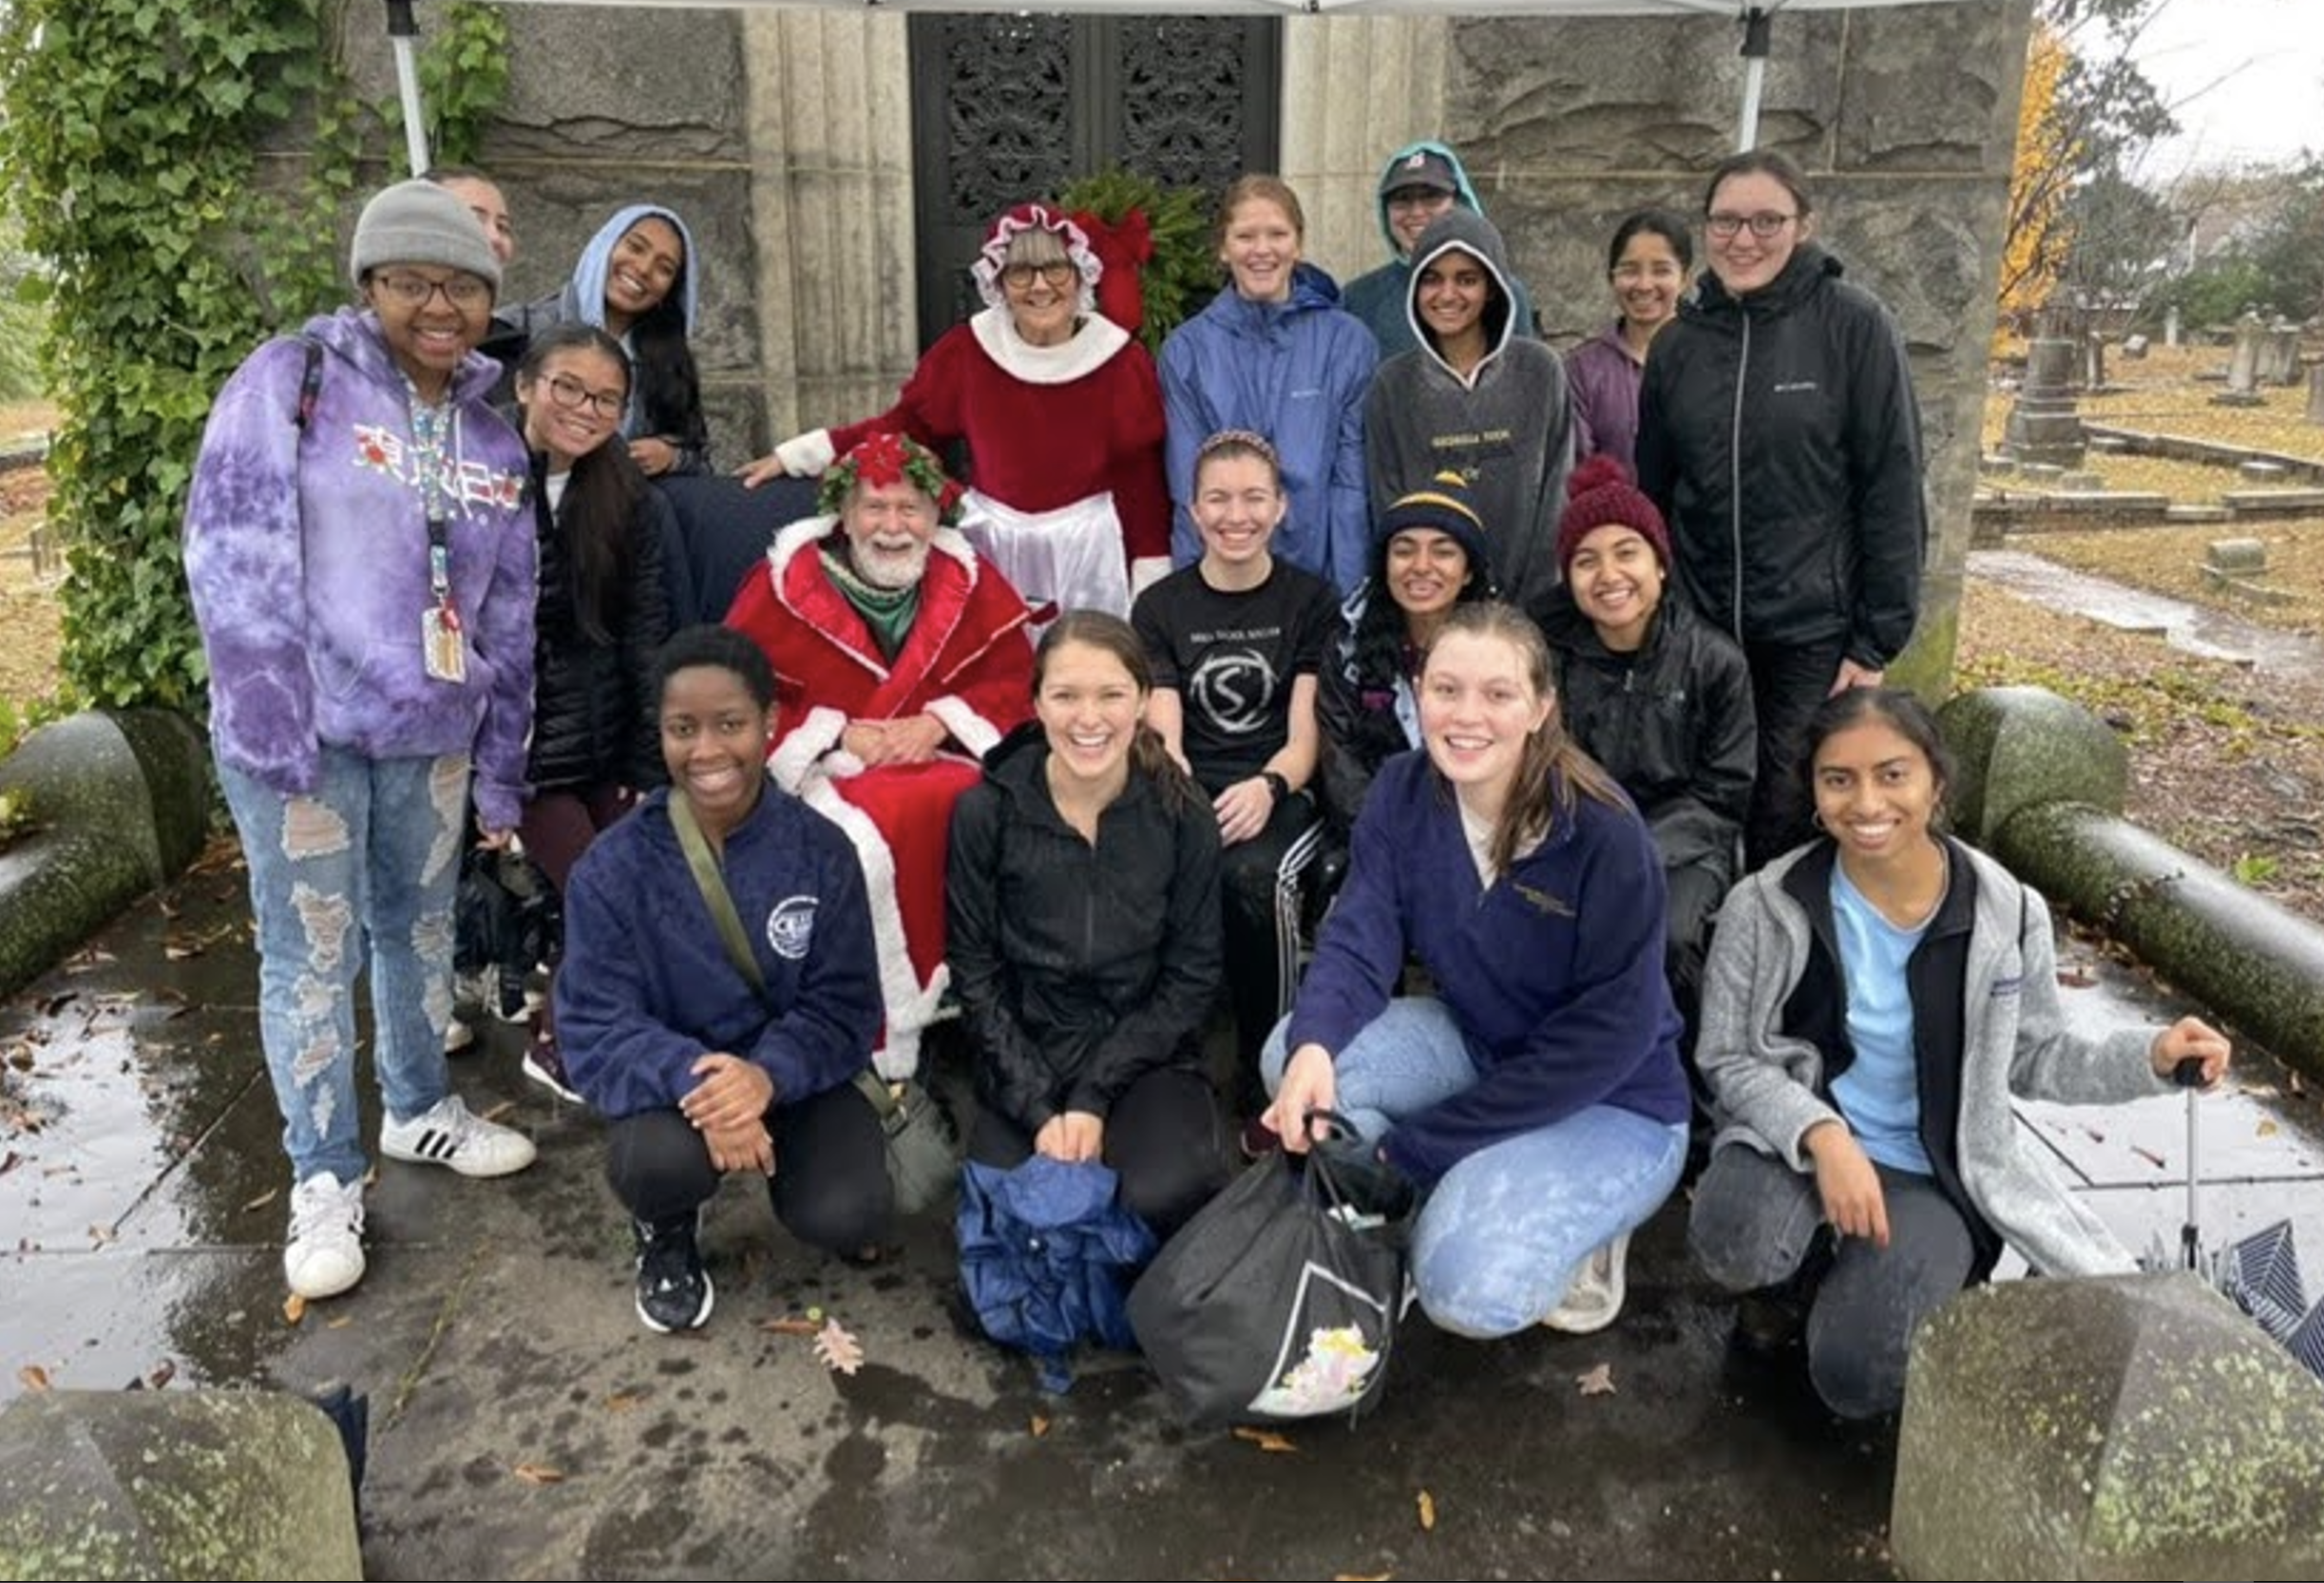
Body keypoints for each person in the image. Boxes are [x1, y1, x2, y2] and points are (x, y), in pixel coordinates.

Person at [182, 179, 541, 1303]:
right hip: (310, 738)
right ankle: (322, 1174)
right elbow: (231, 548)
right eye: (411, 282)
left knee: (420, 931)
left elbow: (510, 606)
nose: (439, 306)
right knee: (308, 956)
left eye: (463, 286)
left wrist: (502, 757)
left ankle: (420, 1105)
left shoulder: (490, 431)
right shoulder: (296, 382)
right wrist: (269, 720)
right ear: (369, 284)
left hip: (432, 734)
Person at [1686, 688, 2234, 1419]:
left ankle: (1892, 1273)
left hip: (1933, 1170)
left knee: (1854, 1380)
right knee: (1732, 1237)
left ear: (1936, 782)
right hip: (1800, 1146)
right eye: (1838, 779)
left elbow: (2035, 1055)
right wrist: (1821, 1134)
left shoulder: (2006, 913)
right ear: (1815, 793)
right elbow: (1726, 1055)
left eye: (1892, 774)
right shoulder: (1767, 905)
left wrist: (2152, 1058)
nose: (1866, 802)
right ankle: (1791, 1279)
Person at [1263, 602, 1691, 1340]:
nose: (1467, 716)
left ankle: (1576, 1223)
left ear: (1541, 707)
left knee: (1463, 1289)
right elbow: (1361, 935)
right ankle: (1470, 1182)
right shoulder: (1403, 792)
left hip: (1614, 1100)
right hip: (1484, 1044)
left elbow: (1606, 1041)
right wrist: (1314, 1046)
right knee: (1295, 1058)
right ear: (1418, 692)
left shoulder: (1604, 835)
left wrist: (1414, 1150)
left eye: (1498, 695)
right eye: (1446, 689)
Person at [556, 625, 891, 1334]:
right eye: (683, 728)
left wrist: (766, 1076)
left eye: (730, 724)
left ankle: (794, 1164)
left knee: (850, 1210)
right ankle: (667, 1228)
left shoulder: (821, 851)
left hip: (788, 1077)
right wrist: (699, 1081)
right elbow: (593, 1024)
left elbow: (847, 1005)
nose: (706, 751)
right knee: (654, 1167)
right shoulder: (612, 869)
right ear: (661, 733)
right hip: (674, 1094)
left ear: (770, 724)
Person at [1636, 149, 1927, 868]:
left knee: (1784, 812)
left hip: (1809, 633)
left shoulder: (1853, 326)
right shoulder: (1678, 344)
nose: (1744, 238)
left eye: (1766, 220)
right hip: (1701, 624)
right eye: (1726, 221)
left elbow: (1891, 481)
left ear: (1803, 225)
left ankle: (1780, 962)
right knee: (1697, 804)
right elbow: (1653, 492)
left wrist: (1874, 638)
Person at [724, 431, 1036, 1080]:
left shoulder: (969, 580)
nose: (894, 526)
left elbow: (1016, 684)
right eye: (875, 508)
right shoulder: (783, 583)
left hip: (946, 761)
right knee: (855, 843)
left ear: (936, 515)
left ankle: (981, 999)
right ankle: (873, 1020)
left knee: (997, 817)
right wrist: (835, 733)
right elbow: (733, 695)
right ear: (844, 513)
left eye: (911, 509)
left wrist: (940, 719)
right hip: (824, 775)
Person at [945, 611, 1229, 1239]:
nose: (1089, 719)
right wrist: (1038, 1104)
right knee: (1016, 1222)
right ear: (1037, 704)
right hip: (1029, 1047)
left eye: (1111, 695)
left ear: (1145, 702)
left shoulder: (1183, 813)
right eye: (1066, 695)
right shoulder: (986, 810)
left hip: (1145, 1053)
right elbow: (976, 971)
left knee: (1161, 1195)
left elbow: (1192, 976)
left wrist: (1095, 1094)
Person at [741, 203, 1171, 617]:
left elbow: (1141, 486)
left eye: (1056, 269)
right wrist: (795, 456)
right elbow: (902, 429)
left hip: (1087, 553)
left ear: (1080, 276)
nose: (1040, 286)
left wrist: (1150, 578)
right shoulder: (967, 351)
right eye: (1020, 272)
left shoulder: (1119, 361)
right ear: (998, 283)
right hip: (988, 547)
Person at [1132, 430, 1339, 1128]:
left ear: (1281, 508)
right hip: (1193, 781)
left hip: (1281, 786)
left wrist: (1269, 787)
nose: (1235, 515)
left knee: (1257, 877)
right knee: (1158, 861)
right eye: (1217, 499)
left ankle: (1270, 1067)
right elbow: (1164, 726)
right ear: (1194, 512)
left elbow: (1306, 734)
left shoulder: (1310, 600)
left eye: (1254, 498)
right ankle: (1165, 1065)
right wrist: (1182, 787)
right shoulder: (1161, 607)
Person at [504, 323, 674, 1100]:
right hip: (524, 757)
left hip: (603, 741)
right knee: (597, 889)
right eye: (567, 386)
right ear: (525, 385)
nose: (585, 408)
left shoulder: (622, 494)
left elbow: (645, 631)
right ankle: (560, 1042)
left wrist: (646, 763)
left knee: (637, 880)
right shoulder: (485, 478)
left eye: (607, 398)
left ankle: (594, 1024)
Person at [1537, 455, 1753, 1053]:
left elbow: (1724, 790)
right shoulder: (1551, 656)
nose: (1609, 574)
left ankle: (1684, 1090)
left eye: (1626, 552)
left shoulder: (1713, 661)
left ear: (1659, 563)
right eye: (1586, 560)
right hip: (1575, 834)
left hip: (1682, 846)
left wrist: (1634, 854)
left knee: (1669, 936)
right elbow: (1536, 763)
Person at [1159, 175, 1376, 594]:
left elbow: (1350, 484)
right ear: (1223, 248)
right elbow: (1189, 486)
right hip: (1225, 576)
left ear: (1298, 244)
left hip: (1317, 578)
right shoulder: (1187, 351)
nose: (1262, 250)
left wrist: (1350, 598)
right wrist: (1190, 593)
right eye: (1245, 236)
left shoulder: (1347, 342)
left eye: (1277, 234)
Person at [1362, 209, 1572, 612]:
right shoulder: (1393, 385)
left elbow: (1555, 499)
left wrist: (1532, 609)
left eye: (1467, 279)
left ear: (1492, 287)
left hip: (1526, 612)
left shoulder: (1541, 371)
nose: (1447, 294)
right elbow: (1389, 506)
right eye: (1432, 278)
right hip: (1429, 610)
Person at [1316, 471, 1495, 836]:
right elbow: (1341, 763)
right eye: (1404, 550)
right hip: (1377, 832)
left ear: (1467, 572)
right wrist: (1392, 836)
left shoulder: (1503, 648)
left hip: (1481, 831)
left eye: (1443, 551)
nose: (1421, 566)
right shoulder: (1348, 643)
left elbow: (1512, 758)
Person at [508, 203, 711, 479]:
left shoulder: (668, 360)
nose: (643, 268)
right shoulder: (523, 327)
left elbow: (701, 456)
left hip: (616, 508)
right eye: (636, 248)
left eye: (664, 268)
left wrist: (671, 456)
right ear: (604, 246)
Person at [1340, 142, 1540, 361]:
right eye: (1402, 199)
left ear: (1460, 203)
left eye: (1431, 197)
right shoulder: (1359, 298)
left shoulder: (1505, 293)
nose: (1416, 212)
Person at [1566, 207, 1691, 474]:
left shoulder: (1709, 359)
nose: (1644, 285)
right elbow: (1579, 469)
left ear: (1685, 279)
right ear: (1612, 278)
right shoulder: (1582, 369)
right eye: (1629, 270)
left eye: (1661, 270)